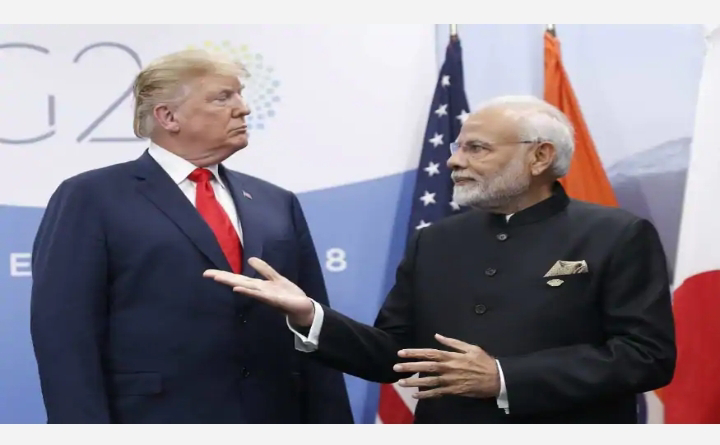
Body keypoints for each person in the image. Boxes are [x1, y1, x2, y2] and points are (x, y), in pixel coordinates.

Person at [204, 95, 677, 423]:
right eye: (456, 147)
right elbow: (395, 355)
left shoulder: (616, 234)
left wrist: (503, 378)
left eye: (476, 148)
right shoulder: (435, 241)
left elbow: (646, 357)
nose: (454, 160)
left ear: (540, 157)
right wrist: (311, 315)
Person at [29, 49, 353, 424]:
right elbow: (65, 336)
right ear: (168, 116)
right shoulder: (92, 197)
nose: (244, 109)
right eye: (223, 97)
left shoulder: (276, 202)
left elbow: (312, 322)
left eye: (240, 94)